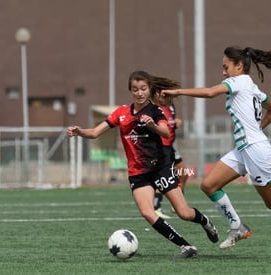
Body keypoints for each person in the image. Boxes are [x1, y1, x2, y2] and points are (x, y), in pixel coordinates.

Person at [162, 46, 271, 259]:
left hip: (256, 151)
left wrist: (178, 92)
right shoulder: (252, 87)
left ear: (239, 66)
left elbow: (211, 93)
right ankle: (237, 226)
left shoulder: (238, 81)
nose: (223, 72)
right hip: (243, 149)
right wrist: (258, 129)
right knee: (209, 185)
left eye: (226, 67)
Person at [67, 70, 218, 259]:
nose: (139, 93)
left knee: (184, 213)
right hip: (138, 174)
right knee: (148, 213)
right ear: (130, 90)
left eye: (143, 89)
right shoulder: (121, 113)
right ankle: (186, 247)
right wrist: (80, 131)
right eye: (135, 89)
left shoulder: (155, 111)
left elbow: (165, 132)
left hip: (160, 169)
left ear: (149, 89)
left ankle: (205, 222)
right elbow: (95, 133)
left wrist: (152, 125)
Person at [152, 90, 190, 218]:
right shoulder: (153, 108)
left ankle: (177, 204)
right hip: (161, 148)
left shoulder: (171, 107)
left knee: (184, 173)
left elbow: (170, 123)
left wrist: (176, 123)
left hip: (170, 147)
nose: (163, 96)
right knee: (164, 177)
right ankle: (156, 206)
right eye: (159, 93)